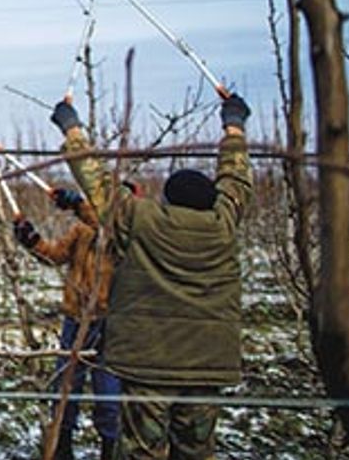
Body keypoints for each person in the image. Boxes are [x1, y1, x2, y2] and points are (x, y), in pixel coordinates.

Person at [50, 93, 253, 459]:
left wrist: (71, 126)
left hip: (148, 366)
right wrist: (234, 124)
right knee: (195, 452)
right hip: (206, 366)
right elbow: (236, 179)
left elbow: (96, 181)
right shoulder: (225, 224)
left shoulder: (144, 221)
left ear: (168, 202)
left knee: (141, 452)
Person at [13, 186, 121, 459]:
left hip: (110, 324)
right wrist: (32, 241)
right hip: (75, 319)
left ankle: (111, 447)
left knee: (108, 390)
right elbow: (55, 255)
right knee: (65, 386)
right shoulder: (81, 232)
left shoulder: (124, 236)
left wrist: (78, 204)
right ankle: (62, 446)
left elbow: (107, 223)